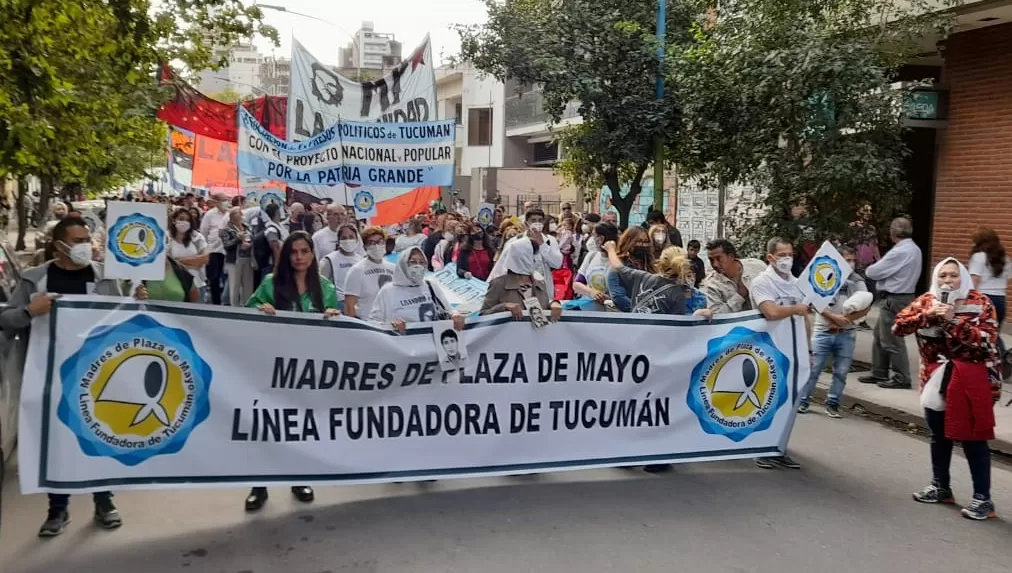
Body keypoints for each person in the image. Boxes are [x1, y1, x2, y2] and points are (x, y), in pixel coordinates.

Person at [0, 218, 147, 537]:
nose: (86, 244)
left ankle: (104, 501)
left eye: (87, 238)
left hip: (96, 376)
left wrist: (137, 303)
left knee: (99, 436)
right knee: (57, 443)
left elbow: (121, 320)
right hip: (48, 376)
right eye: (78, 239)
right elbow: (6, 320)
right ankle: (58, 509)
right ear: (59, 245)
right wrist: (29, 311)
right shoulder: (34, 279)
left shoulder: (103, 278)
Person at [893, 257, 1000, 520]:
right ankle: (941, 486)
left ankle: (983, 499)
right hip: (934, 381)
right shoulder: (927, 300)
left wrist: (952, 321)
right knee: (938, 435)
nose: (947, 281)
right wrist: (925, 316)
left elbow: (987, 342)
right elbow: (898, 327)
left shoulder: (980, 302)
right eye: (942, 276)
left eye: (953, 276)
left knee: (973, 438)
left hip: (972, 380)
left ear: (962, 277)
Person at [245, 231, 340, 511]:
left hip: (307, 370)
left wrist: (334, 317)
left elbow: (338, 328)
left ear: (312, 254)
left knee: (299, 426)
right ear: (286, 255)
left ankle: (299, 477)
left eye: (304, 251)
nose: (299, 257)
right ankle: (258, 486)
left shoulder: (325, 288)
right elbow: (245, 316)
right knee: (267, 426)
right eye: (293, 252)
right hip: (272, 366)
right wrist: (259, 309)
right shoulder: (270, 283)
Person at [749, 237, 811, 470]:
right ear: (770, 258)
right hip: (770, 350)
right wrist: (797, 308)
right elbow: (771, 312)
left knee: (790, 403)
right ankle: (761, 448)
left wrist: (808, 348)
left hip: (794, 351)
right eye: (782, 255)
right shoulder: (762, 282)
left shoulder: (797, 284)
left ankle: (778, 447)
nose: (787, 259)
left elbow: (804, 317)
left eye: (790, 254)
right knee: (769, 400)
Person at [797, 246, 870, 417]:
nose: (850, 264)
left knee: (841, 372)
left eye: (853, 260)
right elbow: (814, 302)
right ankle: (803, 400)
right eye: (847, 260)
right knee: (814, 369)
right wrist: (833, 318)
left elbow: (866, 306)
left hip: (847, 333)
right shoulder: (825, 275)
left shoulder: (857, 281)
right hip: (823, 331)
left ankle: (833, 403)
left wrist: (845, 321)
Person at [859, 218, 923, 390]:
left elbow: (873, 271)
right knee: (880, 335)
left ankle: (902, 377)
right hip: (902, 295)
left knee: (892, 338)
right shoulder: (914, 249)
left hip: (895, 297)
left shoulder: (900, 251)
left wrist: (872, 271)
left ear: (893, 233)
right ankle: (879, 371)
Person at [370, 246, 465, 331]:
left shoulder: (430, 286)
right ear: (403, 264)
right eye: (413, 262)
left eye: (422, 262)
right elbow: (373, 322)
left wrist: (455, 314)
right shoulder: (388, 291)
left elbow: (448, 309)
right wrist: (390, 325)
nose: (418, 266)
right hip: (403, 345)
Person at [488, 209, 564, 300]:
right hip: (520, 291)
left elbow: (557, 263)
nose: (537, 223)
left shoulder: (550, 240)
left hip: (543, 291)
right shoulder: (515, 242)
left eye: (540, 220)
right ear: (526, 223)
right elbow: (502, 266)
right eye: (533, 220)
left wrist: (542, 244)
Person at [481, 237, 562, 322]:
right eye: (532, 254)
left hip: (536, 334)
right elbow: (483, 315)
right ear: (520, 257)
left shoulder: (540, 284)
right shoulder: (499, 284)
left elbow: (543, 311)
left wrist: (554, 304)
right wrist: (504, 307)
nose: (535, 259)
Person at [700, 238, 767, 314]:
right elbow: (716, 315)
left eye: (719, 259)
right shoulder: (711, 285)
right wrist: (739, 296)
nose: (715, 264)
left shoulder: (757, 266)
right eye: (711, 260)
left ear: (731, 256)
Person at [344, 227, 395, 318]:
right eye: (371, 243)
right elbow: (349, 306)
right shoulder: (357, 270)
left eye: (380, 242)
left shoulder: (393, 268)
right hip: (368, 324)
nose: (376, 246)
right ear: (365, 246)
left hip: (390, 323)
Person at [573, 222, 619, 310]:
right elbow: (577, 284)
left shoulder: (619, 260)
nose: (592, 240)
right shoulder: (591, 256)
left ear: (601, 238)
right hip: (588, 308)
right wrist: (592, 292)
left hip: (612, 311)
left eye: (594, 236)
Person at [968, 228, 1010, 324]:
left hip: (983, 299)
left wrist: (969, 299)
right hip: (1000, 300)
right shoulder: (1005, 259)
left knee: (981, 334)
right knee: (993, 334)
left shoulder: (978, 256)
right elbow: (1008, 277)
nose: (972, 244)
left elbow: (974, 280)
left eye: (974, 241)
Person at [319, 224, 363, 311]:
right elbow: (322, 285)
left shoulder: (361, 260)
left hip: (359, 304)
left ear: (357, 240)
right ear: (338, 241)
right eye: (344, 238)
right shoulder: (329, 260)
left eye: (351, 237)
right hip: (339, 305)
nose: (348, 240)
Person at [167, 207, 209, 295]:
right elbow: (165, 263)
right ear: (174, 220)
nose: (184, 222)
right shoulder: (166, 237)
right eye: (181, 219)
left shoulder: (197, 237)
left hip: (196, 283)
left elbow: (205, 258)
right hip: (173, 284)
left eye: (188, 220)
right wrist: (194, 264)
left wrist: (177, 261)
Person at [220, 206, 255, 307]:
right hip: (235, 260)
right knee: (235, 287)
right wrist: (238, 240)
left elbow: (253, 238)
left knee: (248, 285)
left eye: (241, 214)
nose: (241, 216)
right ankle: (234, 307)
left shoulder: (247, 227)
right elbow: (226, 245)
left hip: (248, 259)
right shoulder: (227, 230)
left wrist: (250, 243)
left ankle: (247, 305)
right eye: (239, 214)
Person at [199, 193, 230, 305]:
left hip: (227, 249)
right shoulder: (209, 215)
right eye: (223, 200)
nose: (226, 202)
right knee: (214, 277)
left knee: (227, 276)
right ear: (216, 202)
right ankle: (216, 301)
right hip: (214, 250)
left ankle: (226, 300)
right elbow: (203, 232)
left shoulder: (230, 214)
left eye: (227, 199)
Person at [252, 203, 288, 287]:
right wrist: (278, 265)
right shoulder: (271, 229)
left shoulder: (280, 226)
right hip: (271, 265)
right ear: (277, 212)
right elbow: (275, 247)